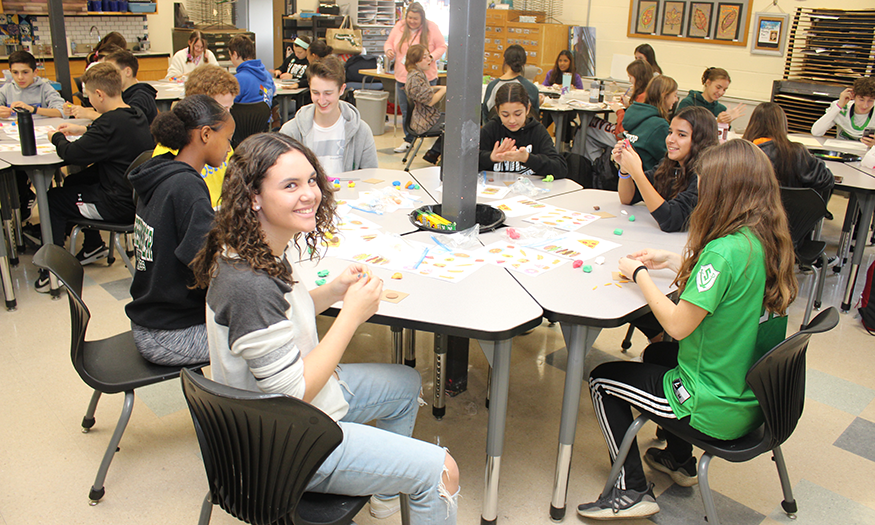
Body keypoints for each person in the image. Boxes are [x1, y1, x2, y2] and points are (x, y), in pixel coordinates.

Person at [189, 133, 460, 524]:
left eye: (311, 180)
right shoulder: (250, 283)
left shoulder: (255, 249)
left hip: (283, 414)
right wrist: (350, 316)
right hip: (286, 444)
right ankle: (401, 482)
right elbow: (292, 392)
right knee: (442, 470)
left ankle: (385, 496)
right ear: (253, 197)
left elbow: (283, 317)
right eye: (290, 185)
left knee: (404, 385)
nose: (310, 194)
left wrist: (333, 291)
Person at [578, 139, 798, 520]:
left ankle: (632, 490)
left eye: (706, 185)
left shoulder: (722, 251)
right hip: (752, 397)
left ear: (725, 191)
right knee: (657, 354)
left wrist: (640, 273)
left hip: (710, 404)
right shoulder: (764, 239)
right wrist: (675, 260)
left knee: (601, 379)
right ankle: (679, 461)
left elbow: (677, 325)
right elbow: (727, 280)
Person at [126, 95, 234, 366]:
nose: (229, 147)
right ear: (206, 134)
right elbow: (211, 267)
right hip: (170, 332)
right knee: (269, 333)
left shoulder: (160, 172)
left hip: (151, 317)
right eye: (229, 138)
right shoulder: (187, 187)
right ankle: (236, 408)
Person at [38, 63, 154, 292]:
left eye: (89, 96)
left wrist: (56, 136)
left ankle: (52, 273)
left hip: (115, 206)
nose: (88, 101)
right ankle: (93, 246)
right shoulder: (135, 114)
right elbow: (111, 136)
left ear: (99, 94)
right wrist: (84, 130)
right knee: (72, 183)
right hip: (136, 200)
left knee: (53, 199)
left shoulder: (108, 123)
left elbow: (72, 155)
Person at [614, 106, 717, 232]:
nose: (670, 139)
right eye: (670, 132)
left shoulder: (704, 175)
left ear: (700, 140)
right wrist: (625, 169)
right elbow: (628, 198)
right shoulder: (671, 165)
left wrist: (637, 173)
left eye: (681, 135)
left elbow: (670, 221)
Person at [153, 65, 240, 208]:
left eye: (230, 108)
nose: (228, 116)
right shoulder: (170, 148)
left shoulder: (221, 141)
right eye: (223, 109)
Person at [280, 56, 378, 175]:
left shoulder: (361, 131)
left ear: (341, 90)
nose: (321, 100)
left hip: (348, 192)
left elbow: (370, 178)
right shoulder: (290, 131)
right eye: (315, 93)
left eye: (328, 93)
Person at [383, 2, 447, 153]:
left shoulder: (431, 27)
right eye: (410, 17)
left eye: (415, 19)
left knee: (426, 111)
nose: (412, 21)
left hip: (425, 75)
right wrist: (389, 51)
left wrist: (430, 57)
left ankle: (429, 141)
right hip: (403, 75)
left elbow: (442, 46)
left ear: (422, 18)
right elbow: (389, 43)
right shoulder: (399, 26)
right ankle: (409, 140)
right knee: (407, 111)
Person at [744, 102, 835, 202]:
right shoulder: (796, 152)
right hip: (792, 213)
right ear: (782, 124)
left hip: (751, 212)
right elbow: (826, 180)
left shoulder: (742, 151)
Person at [479, 82, 566, 178]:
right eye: (505, 115)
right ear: (497, 110)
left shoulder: (537, 130)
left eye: (518, 114)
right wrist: (490, 157)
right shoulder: (491, 129)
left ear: (527, 109)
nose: (512, 120)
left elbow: (560, 168)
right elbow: (466, 163)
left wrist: (527, 158)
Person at [584, 59, 653, 162]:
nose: (629, 81)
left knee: (587, 127)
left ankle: (583, 166)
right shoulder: (648, 94)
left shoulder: (642, 99)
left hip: (626, 137)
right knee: (589, 135)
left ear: (638, 78)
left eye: (630, 77)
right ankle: (595, 166)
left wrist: (619, 111)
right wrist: (629, 105)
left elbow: (624, 127)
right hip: (635, 136)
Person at [66, 50, 158, 124]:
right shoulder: (123, 93)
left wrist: (89, 114)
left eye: (113, 71)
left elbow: (125, 122)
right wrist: (76, 110)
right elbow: (110, 112)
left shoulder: (141, 96)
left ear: (127, 72)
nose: (107, 75)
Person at [620, 75, 678, 172]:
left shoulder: (633, 113)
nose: (676, 100)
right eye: (675, 95)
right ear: (664, 96)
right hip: (647, 177)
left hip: (628, 175)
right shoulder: (659, 125)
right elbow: (669, 158)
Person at [404, 44, 446, 165]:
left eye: (429, 56)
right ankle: (435, 153)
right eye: (425, 57)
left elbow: (425, 91)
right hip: (423, 121)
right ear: (416, 61)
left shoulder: (416, 74)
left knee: (452, 119)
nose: (429, 59)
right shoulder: (415, 78)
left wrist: (438, 87)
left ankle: (433, 153)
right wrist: (444, 89)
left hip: (424, 116)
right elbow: (431, 100)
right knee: (454, 124)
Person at [482, 44, 541, 123]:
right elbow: (534, 116)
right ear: (524, 63)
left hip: (495, 132)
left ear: (504, 60)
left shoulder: (492, 86)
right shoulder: (530, 87)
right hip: (523, 133)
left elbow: (485, 115)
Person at [811, 77, 875, 147]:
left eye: (870, 101)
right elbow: (816, 132)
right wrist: (838, 106)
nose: (865, 105)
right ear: (853, 96)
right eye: (861, 100)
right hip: (842, 151)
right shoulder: (841, 107)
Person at [0, 50, 65, 118]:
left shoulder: (45, 89)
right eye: (15, 72)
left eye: (25, 72)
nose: (20, 77)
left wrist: (33, 109)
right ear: (10, 71)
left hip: (41, 127)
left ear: (35, 72)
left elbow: (62, 112)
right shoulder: (6, 89)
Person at [677, 67, 744, 125]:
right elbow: (682, 128)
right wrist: (716, 123)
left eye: (724, 89)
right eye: (718, 87)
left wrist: (727, 122)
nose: (721, 92)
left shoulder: (721, 109)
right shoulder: (689, 103)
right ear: (708, 82)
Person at [229, 35, 275, 106]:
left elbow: (227, 102)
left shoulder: (238, 79)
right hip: (266, 117)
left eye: (230, 56)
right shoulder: (267, 75)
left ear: (235, 54)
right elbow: (273, 92)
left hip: (243, 116)